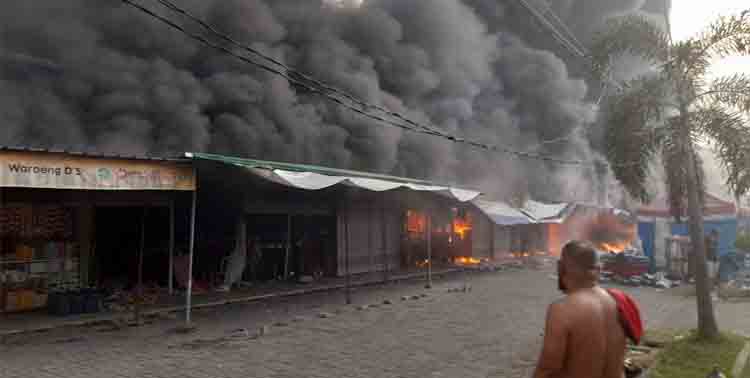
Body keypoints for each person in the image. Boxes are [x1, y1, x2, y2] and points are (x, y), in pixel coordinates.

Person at [534, 241, 642, 378]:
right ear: (599, 269)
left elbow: (548, 367)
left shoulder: (561, 310)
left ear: (561, 268)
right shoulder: (617, 300)